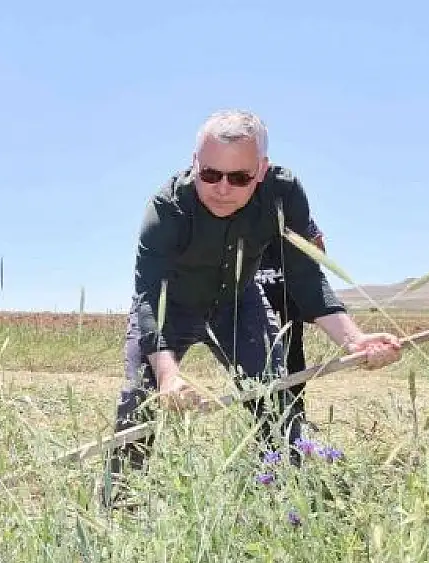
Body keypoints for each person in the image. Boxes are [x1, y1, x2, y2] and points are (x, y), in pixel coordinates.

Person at [103, 109, 401, 506]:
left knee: (275, 400)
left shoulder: (283, 194)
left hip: (238, 304)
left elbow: (305, 277)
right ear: (194, 163)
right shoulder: (166, 209)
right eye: (210, 174)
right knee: (138, 409)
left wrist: (355, 341)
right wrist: (169, 377)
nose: (223, 188)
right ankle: (119, 510)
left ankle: (288, 503)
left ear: (261, 170)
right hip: (168, 309)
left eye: (239, 177)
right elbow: (147, 299)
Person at [255, 216, 326, 436]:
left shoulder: (291, 209)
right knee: (255, 355)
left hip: (287, 294)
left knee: (292, 352)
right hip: (254, 295)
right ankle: (263, 418)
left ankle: (297, 415)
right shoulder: (243, 209)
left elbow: (318, 247)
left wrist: (302, 267)